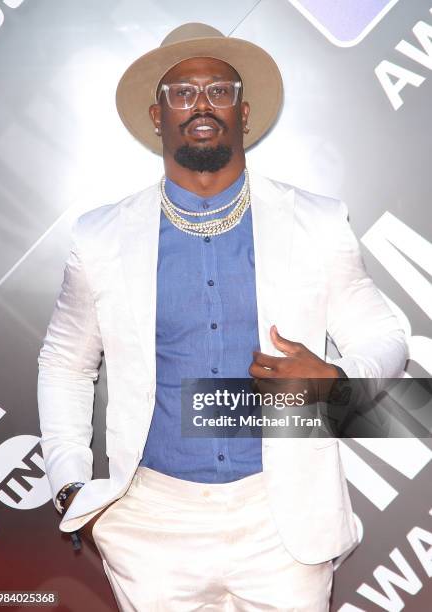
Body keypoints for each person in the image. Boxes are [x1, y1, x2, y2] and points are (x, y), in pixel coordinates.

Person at [37, 22, 408, 611]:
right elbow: (64, 363)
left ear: (244, 112)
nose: (201, 104)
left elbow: (386, 336)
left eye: (219, 90)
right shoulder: (101, 237)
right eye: (182, 93)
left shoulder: (316, 222)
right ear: (158, 115)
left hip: (282, 520)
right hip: (150, 522)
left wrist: (335, 382)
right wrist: (68, 481)